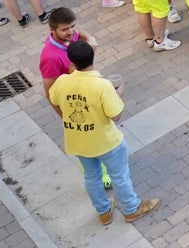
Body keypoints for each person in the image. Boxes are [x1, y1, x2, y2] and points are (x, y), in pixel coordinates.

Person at [47, 40, 160, 225]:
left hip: (78, 140)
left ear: (71, 62)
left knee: (91, 176)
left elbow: (54, 99)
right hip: (106, 141)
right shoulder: (102, 85)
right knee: (119, 176)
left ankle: (104, 211)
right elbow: (116, 116)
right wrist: (118, 95)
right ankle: (132, 209)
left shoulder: (61, 81)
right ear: (93, 57)